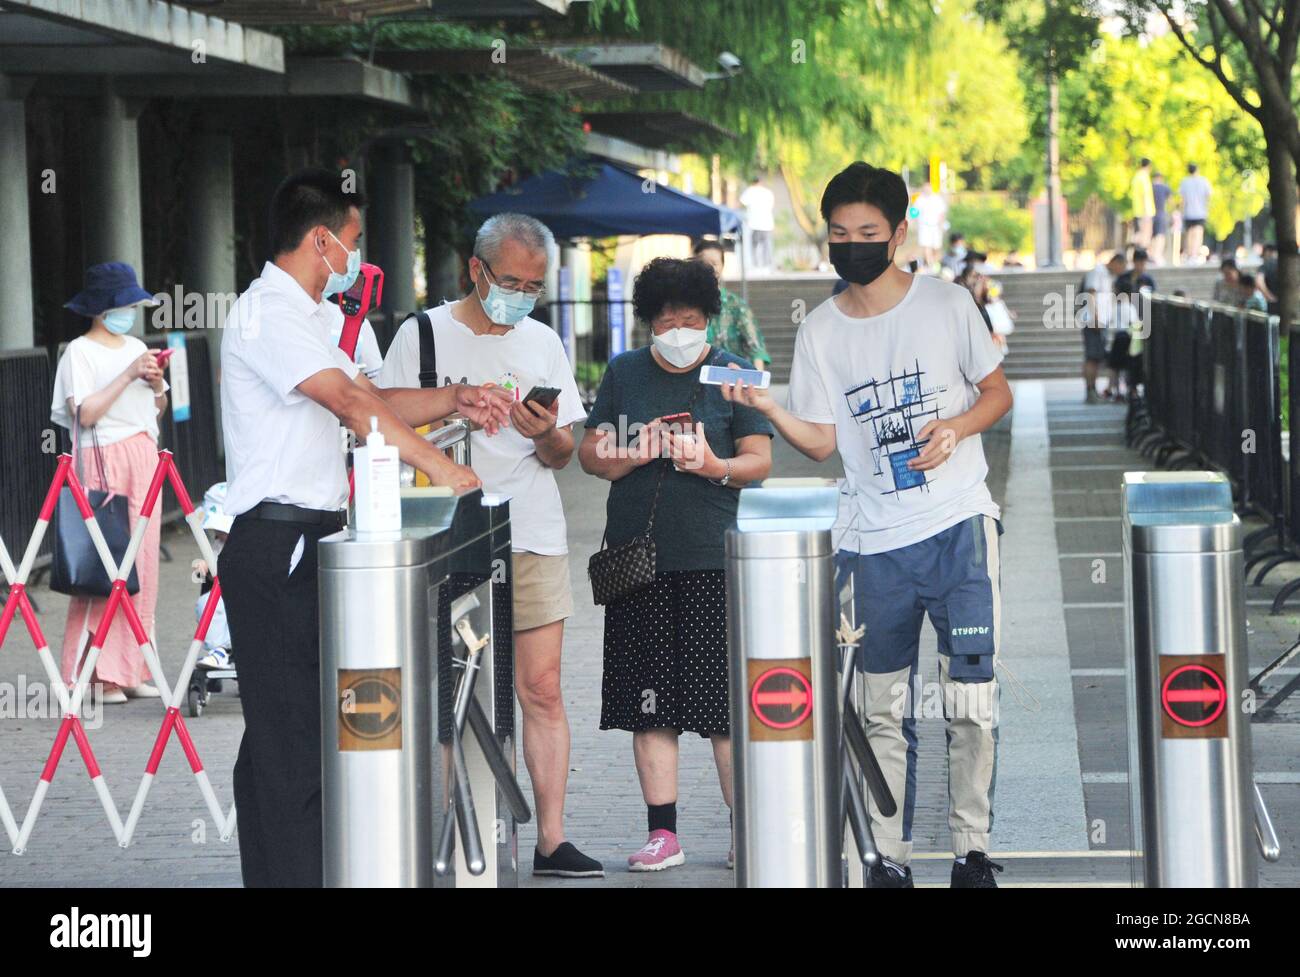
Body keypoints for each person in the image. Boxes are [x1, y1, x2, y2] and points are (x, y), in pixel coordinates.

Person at [218, 168, 514, 887]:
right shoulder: (267, 313)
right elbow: (351, 405)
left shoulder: (314, 317)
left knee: (284, 736)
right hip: (276, 539)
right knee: (292, 747)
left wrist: (454, 399)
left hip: (316, 537)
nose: (356, 256)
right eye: (351, 240)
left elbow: (372, 396)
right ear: (320, 239)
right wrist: (440, 471)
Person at [724, 162, 1013, 888]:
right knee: (879, 708)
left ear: (899, 234)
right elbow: (821, 441)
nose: (852, 245)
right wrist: (769, 411)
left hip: (958, 528)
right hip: (870, 543)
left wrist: (954, 427)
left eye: (868, 233)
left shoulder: (947, 304)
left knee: (971, 700)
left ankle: (970, 849)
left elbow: (997, 391)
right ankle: (887, 856)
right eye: (840, 234)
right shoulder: (819, 331)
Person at [377, 213, 603, 879]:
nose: (522, 295)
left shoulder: (543, 343)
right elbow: (378, 416)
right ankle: (440, 829)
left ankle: (551, 838)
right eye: (510, 281)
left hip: (530, 531)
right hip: (440, 533)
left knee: (541, 685)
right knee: (442, 687)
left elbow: (564, 452)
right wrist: (449, 409)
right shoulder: (420, 334)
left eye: (534, 285)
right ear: (476, 270)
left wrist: (542, 432)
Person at [578, 256, 774, 872]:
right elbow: (590, 455)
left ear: (709, 318)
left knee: (721, 706)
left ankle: (747, 830)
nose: (679, 331)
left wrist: (712, 464)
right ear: (648, 323)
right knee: (650, 701)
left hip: (713, 558)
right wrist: (641, 449)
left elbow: (758, 461)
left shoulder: (732, 374)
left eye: (691, 320)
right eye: (667, 321)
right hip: (639, 561)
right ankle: (663, 832)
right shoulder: (624, 372)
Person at [51, 262, 167, 705]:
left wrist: (156, 385)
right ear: (105, 308)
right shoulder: (78, 352)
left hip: (142, 454)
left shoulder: (137, 345)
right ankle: (93, 673)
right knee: (103, 564)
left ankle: (131, 667)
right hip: (102, 458)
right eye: (127, 304)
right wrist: (127, 376)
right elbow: (84, 413)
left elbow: (154, 409)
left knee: (144, 566)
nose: (133, 311)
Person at [692, 239, 770, 372]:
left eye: (715, 263)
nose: (709, 267)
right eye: (704, 263)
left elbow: (756, 348)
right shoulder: (685, 304)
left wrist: (759, 385)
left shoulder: (736, 305)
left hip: (729, 380)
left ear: (722, 266)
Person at [1079, 253, 1126, 403]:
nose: (1121, 271)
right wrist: (1095, 318)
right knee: (1092, 357)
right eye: (1122, 267)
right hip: (1093, 320)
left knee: (1097, 357)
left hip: (1102, 321)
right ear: (1115, 262)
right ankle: (1090, 390)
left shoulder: (1108, 276)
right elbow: (1090, 294)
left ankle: (1093, 389)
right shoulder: (1097, 272)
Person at [739, 176, 776, 272]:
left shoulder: (750, 191)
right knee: (766, 245)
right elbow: (771, 206)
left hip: (754, 223)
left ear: (753, 182)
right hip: (767, 224)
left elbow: (742, 202)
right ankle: (766, 265)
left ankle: (755, 265)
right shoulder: (768, 192)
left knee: (754, 245)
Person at [1179, 163, 1211, 264]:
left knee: (1189, 234)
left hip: (1188, 212)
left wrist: (1181, 210)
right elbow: (1208, 195)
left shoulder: (1184, 181)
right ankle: (1195, 254)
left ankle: (1189, 255)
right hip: (1200, 212)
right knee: (1198, 233)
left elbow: (1182, 198)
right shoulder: (1203, 181)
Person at [914, 185, 948, 268]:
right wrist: (915, 220)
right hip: (924, 226)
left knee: (936, 247)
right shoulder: (920, 199)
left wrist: (941, 224)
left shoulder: (937, 199)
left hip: (936, 226)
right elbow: (914, 211)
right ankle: (930, 264)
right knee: (926, 246)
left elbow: (942, 213)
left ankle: (935, 262)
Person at [1130, 158, 1155, 248]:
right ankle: (1142, 253)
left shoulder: (1136, 177)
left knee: (1140, 233)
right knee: (1145, 235)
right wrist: (1146, 211)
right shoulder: (1144, 177)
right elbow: (1145, 195)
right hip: (1145, 211)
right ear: (1149, 166)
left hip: (1137, 210)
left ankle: (1133, 244)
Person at [1150, 172, 1172, 264]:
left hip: (1149, 214)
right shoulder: (1164, 188)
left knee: (1152, 236)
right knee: (1160, 236)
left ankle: (1152, 255)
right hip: (1160, 214)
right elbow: (1170, 201)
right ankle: (1157, 255)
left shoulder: (1149, 187)